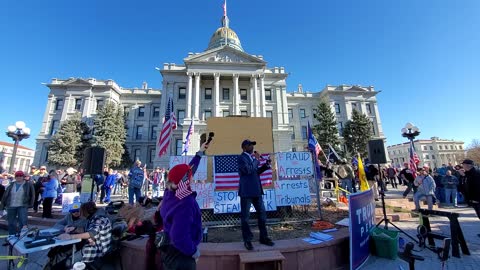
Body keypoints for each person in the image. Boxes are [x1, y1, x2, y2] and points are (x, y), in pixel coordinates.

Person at [160, 142, 208, 270]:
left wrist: (199, 154)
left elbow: (188, 170)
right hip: (181, 256)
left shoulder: (169, 192)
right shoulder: (185, 203)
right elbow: (179, 236)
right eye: (190, 176)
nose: (192, 177)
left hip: (170, 251)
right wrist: (193, 252)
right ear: (185, 180)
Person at [238, 139, 274, 251]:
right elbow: (248, 170)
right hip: (246, 192)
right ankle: (247, 240)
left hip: (257, 191)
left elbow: (255, 172)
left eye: (252, 145)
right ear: (244, 147)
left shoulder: (252, 158)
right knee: (245, 218)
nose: (252, 147)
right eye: (250, 145)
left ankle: (263, 237)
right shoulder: (241, 158)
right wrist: (257, 160)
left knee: (262, 215)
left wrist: (266, 165)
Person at [0, 171, 35, 235]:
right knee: (11, 222)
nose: (19, 177)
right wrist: (2, 205)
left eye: (20, 176)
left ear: (23, 177)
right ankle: (12, 235)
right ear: (15, 177)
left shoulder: (28, 184)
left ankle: (22, 236)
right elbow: (5, 195)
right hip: (11, 205)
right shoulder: (11, 184)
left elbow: (32, 195)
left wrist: (31, 204)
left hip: (22, 205)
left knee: (23, 221)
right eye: (17, 176)